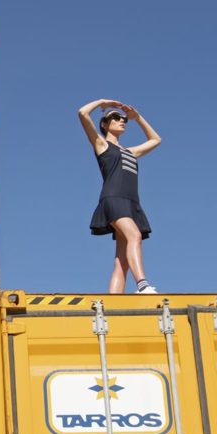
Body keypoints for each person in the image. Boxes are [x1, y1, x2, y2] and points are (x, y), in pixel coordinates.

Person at [78, 99, 162, 294]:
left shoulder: (130, 152)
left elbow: (156, 139)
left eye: (124, 119)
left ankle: (113, 303)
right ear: (105, 124)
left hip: (132, 204)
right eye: (116, 117)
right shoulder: (102, 145)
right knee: (135, 235)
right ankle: (142, 285)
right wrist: (103, 102)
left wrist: (137, 117)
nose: (122, 120)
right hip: (113, 199)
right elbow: (82, 113)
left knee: (122, 262)